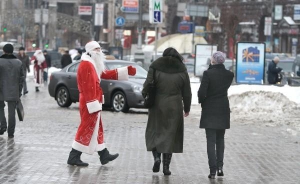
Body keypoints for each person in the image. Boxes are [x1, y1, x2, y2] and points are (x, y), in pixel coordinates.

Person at [67, 41, 136, 166]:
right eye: (96, 49)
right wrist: (92, 103)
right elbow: (88, 87)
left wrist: (125, 71)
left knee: (97, 128)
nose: (99, 51)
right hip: (90, 101)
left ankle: (104, 155)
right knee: (86, 127)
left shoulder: (92, 63)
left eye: (99, 48)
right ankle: (73, 157)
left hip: (92, 101)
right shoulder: (86, 65)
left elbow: (104, 73)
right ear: (90, 51)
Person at [142, 47, 192, 175]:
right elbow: (187, 92)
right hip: (175, 106)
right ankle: (166, 167)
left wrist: (144, 94)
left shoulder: (155, 66)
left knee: (155, 132)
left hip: (157, 104)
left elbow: (147, 84)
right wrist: (187, 108)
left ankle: (157, 158)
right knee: (170, 135)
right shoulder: (182, 69)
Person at [197, 51, 234, 179]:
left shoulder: (208, 74)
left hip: (210, 109)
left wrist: (202, 102)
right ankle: (220, 167)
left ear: (213, 60)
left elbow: (202, 93)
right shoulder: (229, 75)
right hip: (223, 108)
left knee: (210, 140)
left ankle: (212, 170)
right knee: (220, 139)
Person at [0, 44, 24, 138]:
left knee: (0, 108)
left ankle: (3, 126)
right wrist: (19, 91)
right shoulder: (18, 62)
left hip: (1, 90)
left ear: (4, 51)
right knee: (12, 112)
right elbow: (21, 79)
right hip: (14, 90)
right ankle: (11, 133)